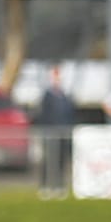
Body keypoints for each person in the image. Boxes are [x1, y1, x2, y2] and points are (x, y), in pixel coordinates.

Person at [35, 65, 77, 196]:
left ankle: (59, 186)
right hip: (50, 133)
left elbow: (70, 114)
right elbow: (43, 115)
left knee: (61, 161)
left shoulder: (65, 96)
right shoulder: (47, 96)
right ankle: (45, 186)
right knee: (48, 161)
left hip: (63, 133)